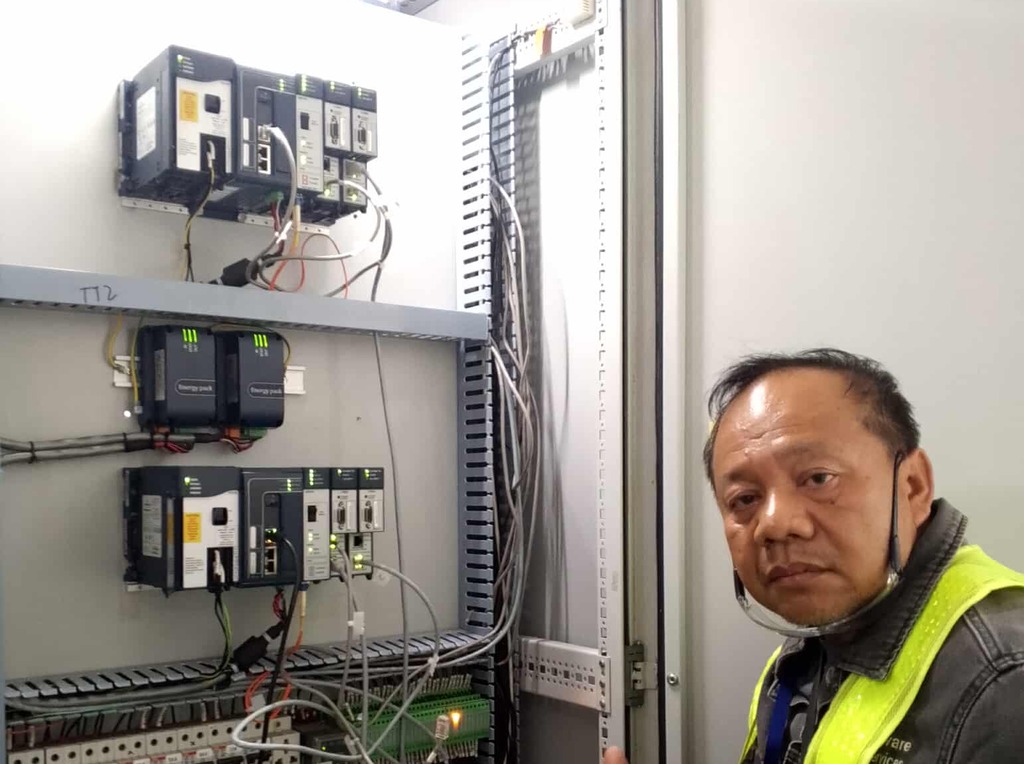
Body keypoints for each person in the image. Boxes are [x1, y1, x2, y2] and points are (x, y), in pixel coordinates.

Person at [603, 349, 1024, 764]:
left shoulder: (1005, 676)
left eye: (818, 478)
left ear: (912, 486)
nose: (774, 524)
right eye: (744, 498)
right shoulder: (820, 634)